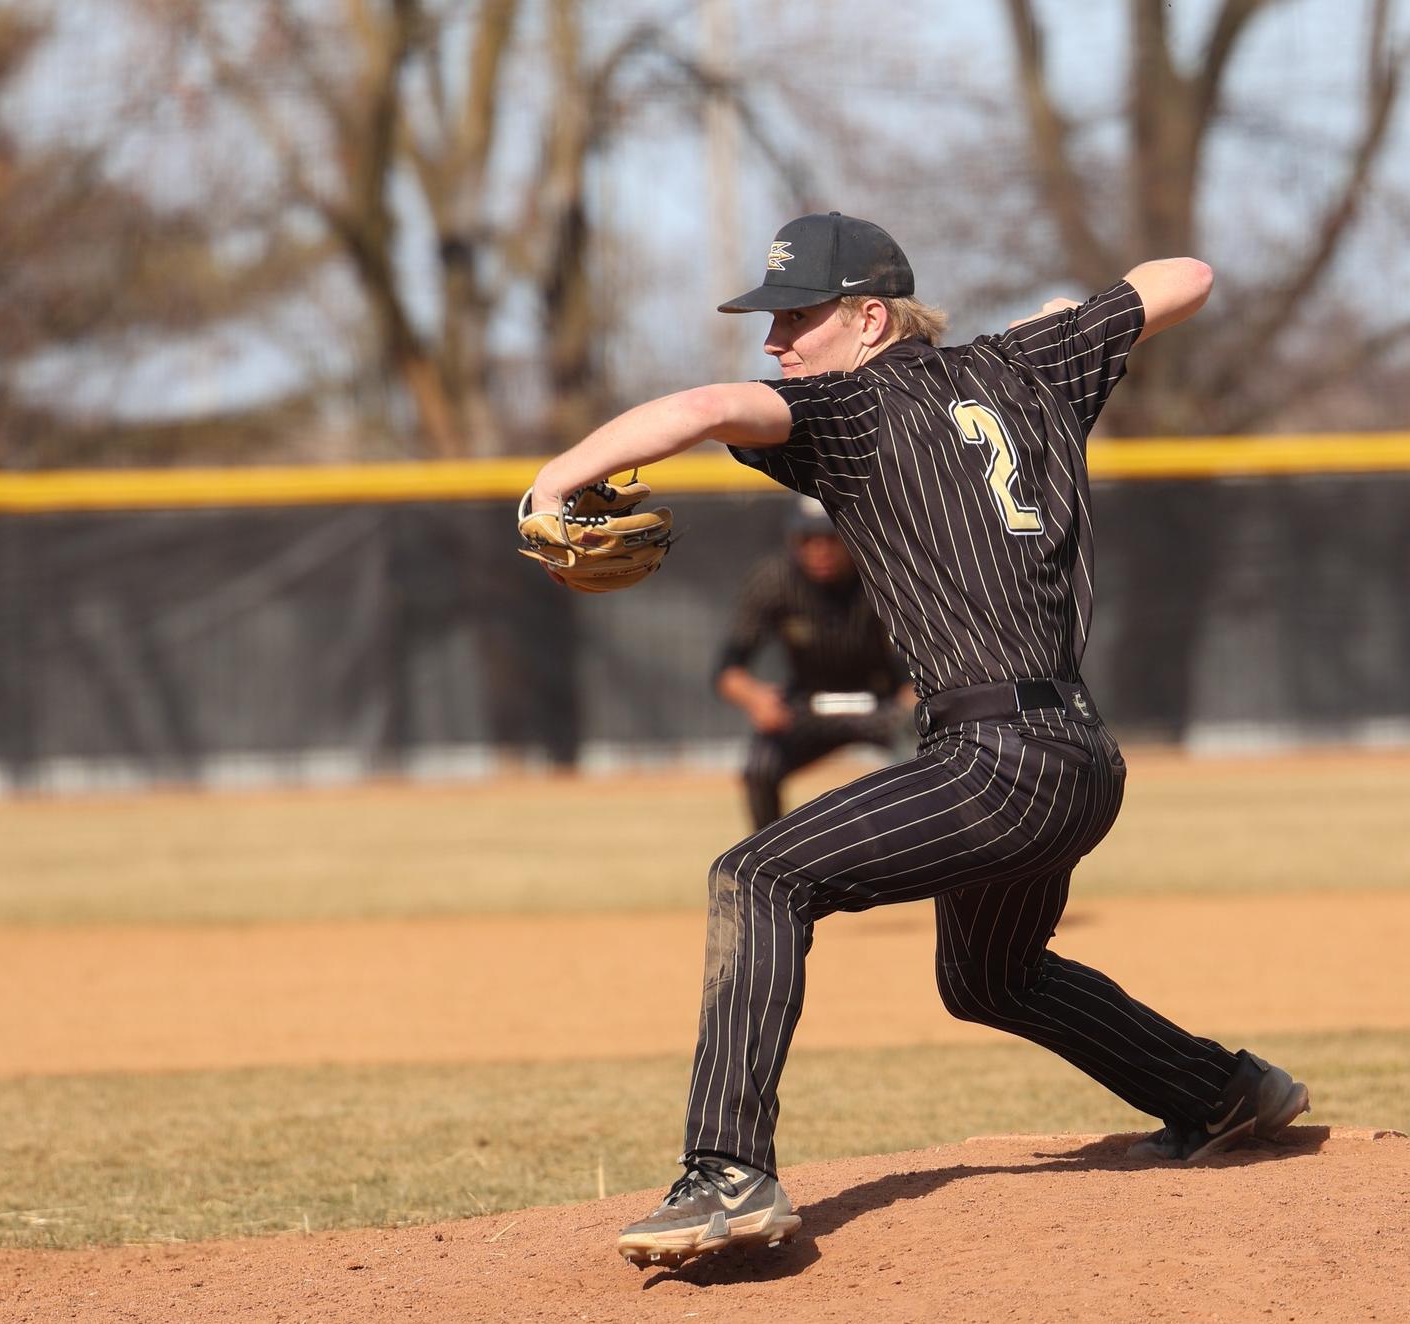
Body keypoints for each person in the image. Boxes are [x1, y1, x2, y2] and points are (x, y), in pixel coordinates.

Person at [526, 211, 1311, 1270]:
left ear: (866, 317)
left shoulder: (850, 406)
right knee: (990, 976)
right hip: (1078, 757)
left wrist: (556, 477)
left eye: (795, 317)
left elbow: (709, 407)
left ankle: (726, 1173)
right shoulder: (1031, 365)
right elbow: (1189, 273)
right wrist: (1074, 322)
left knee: (758, 874)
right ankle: (1222, 1092)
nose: (776, 343)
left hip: (995, 762)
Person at [717, 496, 914, 831]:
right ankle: (769, 857)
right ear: (794, 541)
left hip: (881, 701)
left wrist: (915, 696)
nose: (820, 550)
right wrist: (755, 698)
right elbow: (728, 669)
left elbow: (924, 649)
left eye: (830, 538)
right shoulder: (775, 580)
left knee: (922, 754)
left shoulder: (880, 574)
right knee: (760, 767)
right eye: (808, 539)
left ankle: (918, 855)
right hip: (806, 704)